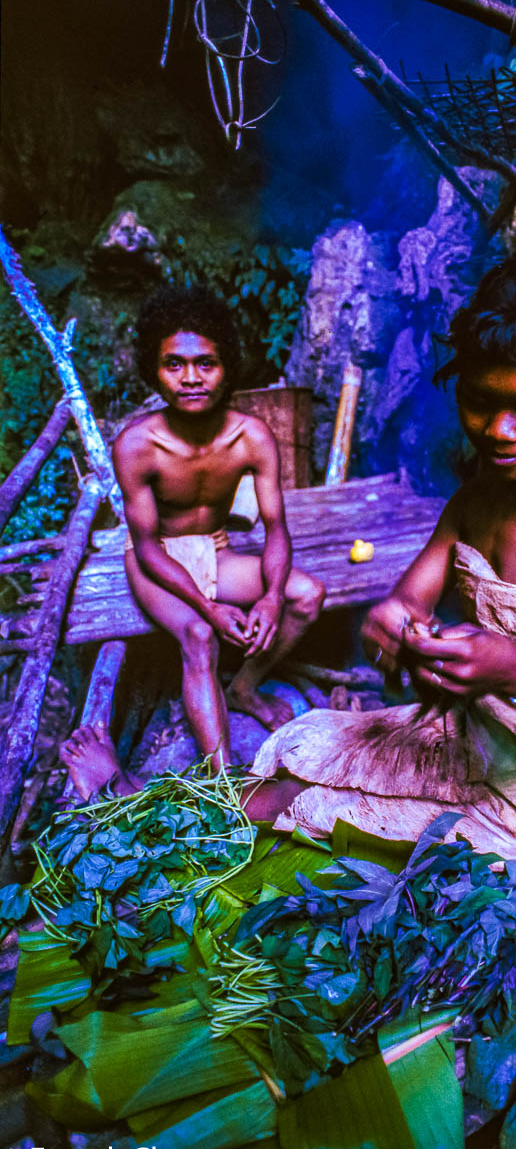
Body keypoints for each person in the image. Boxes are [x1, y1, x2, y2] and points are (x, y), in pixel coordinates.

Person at [243, 254, 516, 859]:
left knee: (283, 812)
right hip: (471, 737)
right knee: (291, 758)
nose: (499, 431)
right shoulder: (476, 499)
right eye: (478, 401)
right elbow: (405, 602)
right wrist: (395, 629)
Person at [60, 285, 324, 800]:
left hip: (216, 549)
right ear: (153, 370)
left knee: (306, 595)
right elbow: (149, 546)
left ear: (226, 367)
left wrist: (269, 598)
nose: (191, 378)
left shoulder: (252, 436)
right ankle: (227, 788)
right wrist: (209, 608)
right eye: (174, 365)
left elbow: (276, 530)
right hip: (156, 560)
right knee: (200, 637)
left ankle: (244, 686)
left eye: (206, 363)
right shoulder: (138, 445)